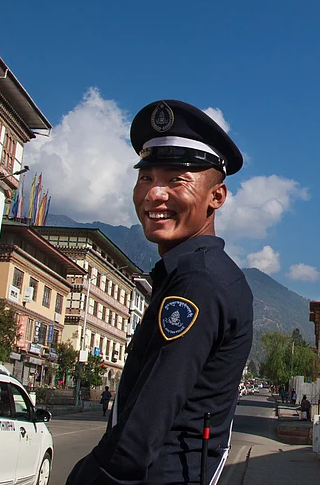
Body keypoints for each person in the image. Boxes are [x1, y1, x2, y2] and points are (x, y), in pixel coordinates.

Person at [67, 99, 253, 484]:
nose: (154, 194)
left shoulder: (197, 283)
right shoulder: (191, 274)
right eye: (146, 178)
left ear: (216, 197)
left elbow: (141, 433)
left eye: (175, 180)